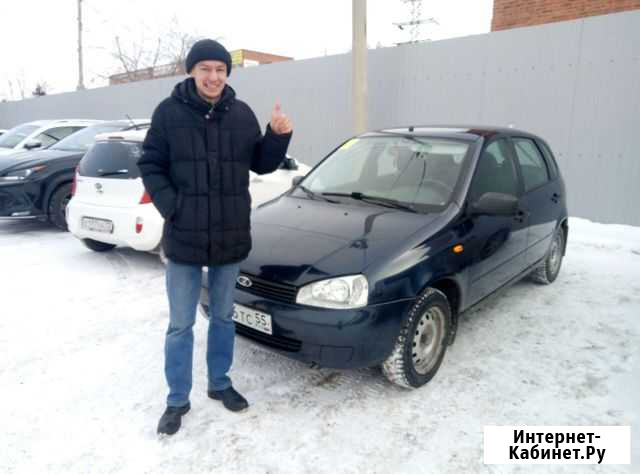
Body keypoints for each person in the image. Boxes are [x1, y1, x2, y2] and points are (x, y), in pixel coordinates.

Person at [138, 39, 293, 436]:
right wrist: (174, 207)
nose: (213, 76)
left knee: (223, 317)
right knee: (180, 324)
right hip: (185, 238)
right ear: (192, 72)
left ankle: (220, 383)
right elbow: (150, 165)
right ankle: (177, 399)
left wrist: (276, 137)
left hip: (229, 236)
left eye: (220, 69)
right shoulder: (169, 113)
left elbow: (260, 162)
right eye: (205, 68)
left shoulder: (241, 114)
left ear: (228, 73)